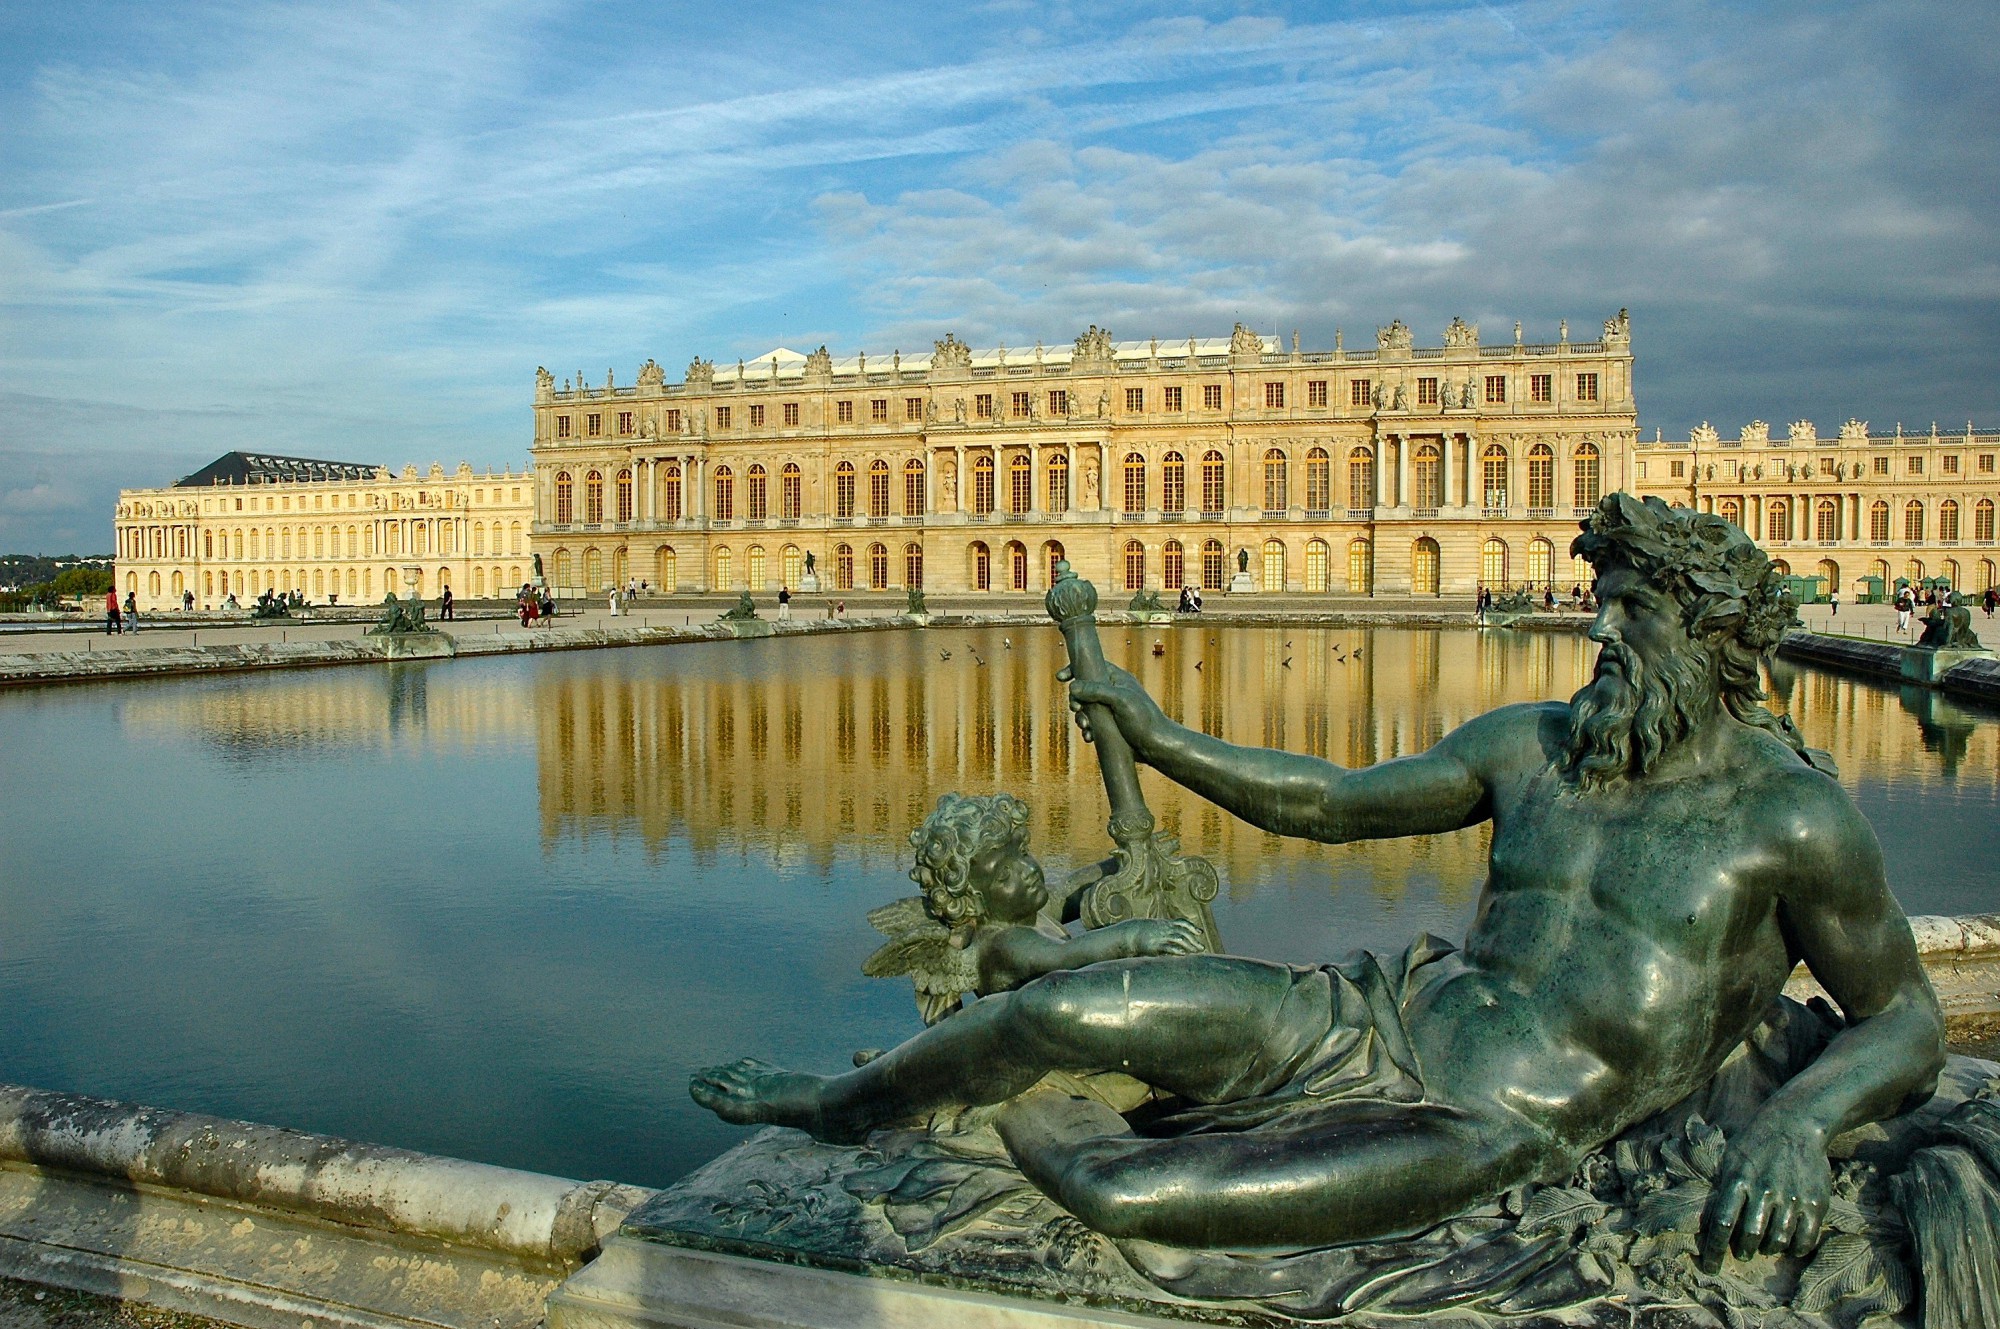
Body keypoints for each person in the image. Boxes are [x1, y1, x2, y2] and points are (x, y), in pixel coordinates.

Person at [693, 494, 1943, 1265]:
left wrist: (1791, 1122)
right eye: (1599, 604)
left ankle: (1039, 1122)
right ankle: (833, 1105)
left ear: (1708, 636)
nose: (1596, 630)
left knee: (1129, 1198)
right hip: (1374, 1012)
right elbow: (1330, 803)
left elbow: (1902, 1019)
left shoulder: (1790, 820)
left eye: (1628, 614)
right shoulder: (1534, 744)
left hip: (1492, 1123)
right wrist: (1154, 724)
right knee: (1049, 1012)